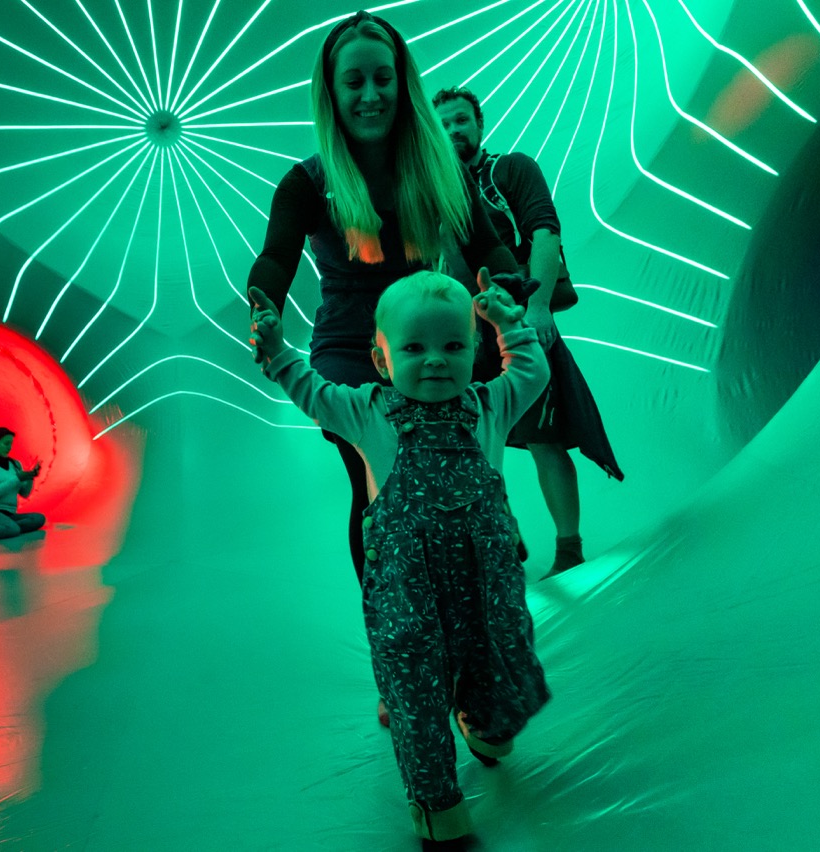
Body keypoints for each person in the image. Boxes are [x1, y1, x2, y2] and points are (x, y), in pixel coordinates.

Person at [246, 10, 523, 727]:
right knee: (382, 498)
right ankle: (399, 659)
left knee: (463, 485)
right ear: (331, 94)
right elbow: (276, 255)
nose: (370, 94)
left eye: (382, 78)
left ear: (402, 85)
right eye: (354, 82)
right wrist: (264, 305)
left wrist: (505, 287)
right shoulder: (308, 181)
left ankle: (471, 653)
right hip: (350, 356)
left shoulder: (439, 165)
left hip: (427, 340)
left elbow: (490, 242)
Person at [250, 270, 552, 850]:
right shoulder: (366, 412)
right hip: (406, 592)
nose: (435, 361)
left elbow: (531, 371)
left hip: (485, 584)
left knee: (494, 660)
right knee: (415, 694)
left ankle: (487, 728)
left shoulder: (489, 404)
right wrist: (275, 346)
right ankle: (440, 810)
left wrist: (511, 323)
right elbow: (308, 388)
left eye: (454, 345)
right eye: (414, 347)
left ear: (476, 350)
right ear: (381, 358)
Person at [433, 85, 624, 578]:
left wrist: (538, 307)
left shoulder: (510, 170)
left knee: (545, 435)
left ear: (478, 125)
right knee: (469, 439)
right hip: (467, 333)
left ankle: (569, 549)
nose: (453, 130)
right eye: (443, 123)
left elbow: (544, 230)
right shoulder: (433, 195)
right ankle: (505, 533)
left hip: (517, 318)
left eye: (460, 120)